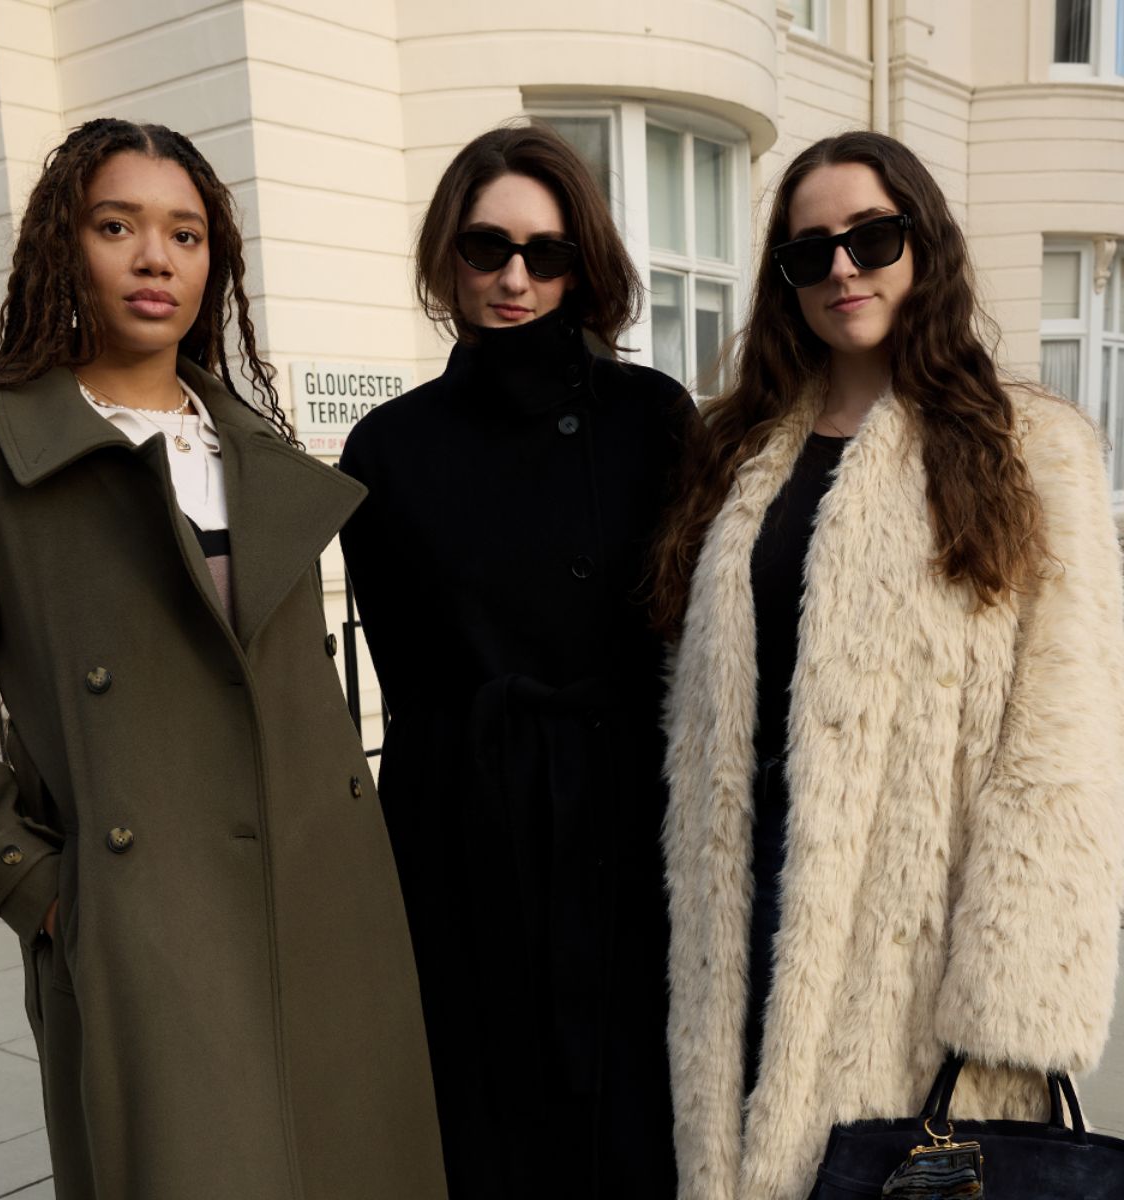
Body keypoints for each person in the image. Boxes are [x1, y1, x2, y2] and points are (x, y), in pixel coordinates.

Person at [0, 118, 446, 1200]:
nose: (156, 258)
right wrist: (38, 885)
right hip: (142, 923)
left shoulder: (251, 444)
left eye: (186, 233)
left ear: (217, 262)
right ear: (66, 246)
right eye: (118, 226)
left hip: (326, 900)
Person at [651, 129, 1124, 1200]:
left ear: (925, 244)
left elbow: (1066, 739)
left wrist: (1011, 1006)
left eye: (872, 236)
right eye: (808, 252)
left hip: (915, 949)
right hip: (748, 910)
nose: (843, 269)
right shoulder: (740, 451)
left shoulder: (1030, 445)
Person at [339, 123, 695, 1200]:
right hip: (466, 824)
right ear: (447, 254)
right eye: (486, 248)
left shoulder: (652, 416)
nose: (513, 278)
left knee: (632, 1118)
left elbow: (687, 632)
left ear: (584, 264)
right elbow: (406, 672)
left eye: (546, 253)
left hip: (627, 814)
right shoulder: (388, 446)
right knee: (488, 1121)